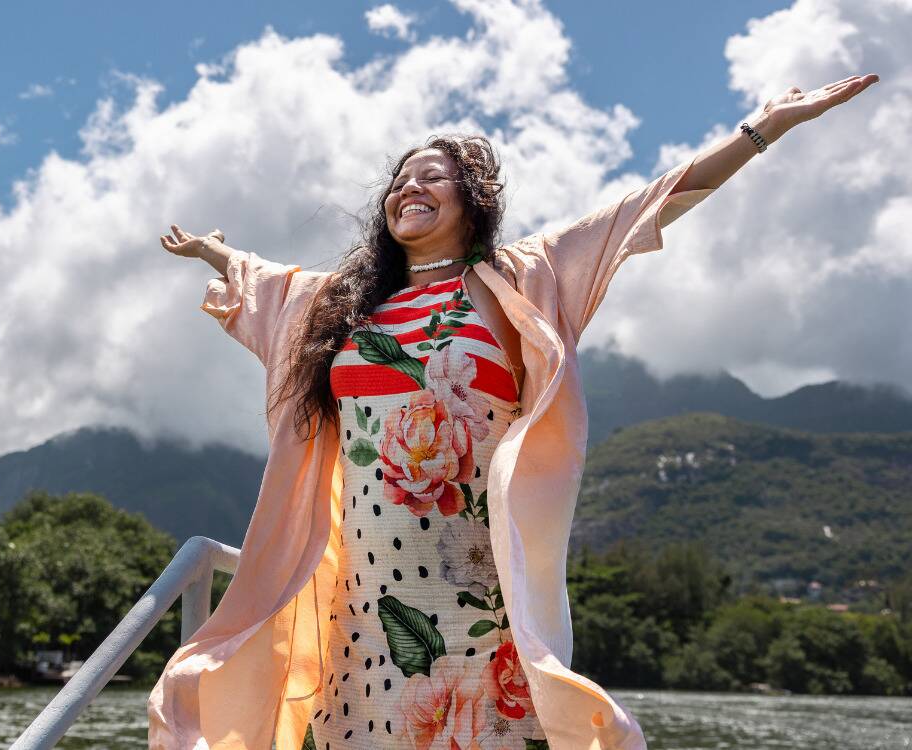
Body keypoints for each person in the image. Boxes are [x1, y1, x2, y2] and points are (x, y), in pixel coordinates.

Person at [150, 74, 879, 750]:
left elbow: (655, 202)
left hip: (481, 585)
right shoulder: (337, 302)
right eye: (400, 181)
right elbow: (266, 282)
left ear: (473, 197)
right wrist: (221, 256)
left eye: (431, 176)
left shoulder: (523, 276)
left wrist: (764, 129)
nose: (409, 188)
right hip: (367, 599)